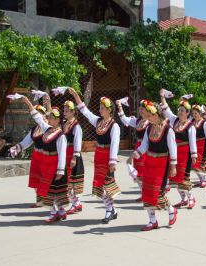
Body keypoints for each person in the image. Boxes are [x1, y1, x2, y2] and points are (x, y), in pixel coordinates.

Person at [69, 88, 121, 224]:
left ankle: (109, 210)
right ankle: (112, 209)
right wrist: (75, 95)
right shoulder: (98, 121)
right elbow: (85, 111)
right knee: (98, 185)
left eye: (103, 108)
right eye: (100, 107)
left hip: (108, 157)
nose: (100, 110)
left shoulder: (114, 126)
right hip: (99, 155)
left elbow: (115, 143)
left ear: (109, 110)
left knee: (107, 185)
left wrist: (113, 161)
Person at [132, 101, 178, 231]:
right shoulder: (149, 128)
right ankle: (152, 220)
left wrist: (173, 166)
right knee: (146, 191)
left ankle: (171, 209)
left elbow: (173, 148)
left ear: (156, 114)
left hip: (162, 164)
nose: (147, 118)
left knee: (158, 193)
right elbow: (144, 145)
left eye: (149, 116)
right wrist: (135, 154)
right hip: (149, 163)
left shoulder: (168, 130)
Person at [21, 97, 68, 223]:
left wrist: (60, 170)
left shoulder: (60, 136)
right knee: (51, 189)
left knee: (49, 190)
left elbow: (62, 154)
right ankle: (61, 212)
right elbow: (37, 117)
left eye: (52, 118)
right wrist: (27, 102)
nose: (49, 119)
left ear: (58, 120)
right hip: (45, 163)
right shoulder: (47, 129)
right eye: (50, 117)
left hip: (53, 164)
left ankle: (54, 213)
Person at [160, 92, 198, 209]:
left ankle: (191, 198)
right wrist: (162, 97)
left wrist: (194, 155)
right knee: (175, 178)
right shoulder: (174, 120)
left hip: (185, 155)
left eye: (183, 110)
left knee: (184, 178)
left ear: (187, 113)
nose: (180, 112)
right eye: (179, 110)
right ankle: (183, 199)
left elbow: (192, 141)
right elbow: (167, 110)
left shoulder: (190, 126)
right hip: (175, 154)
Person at [11, 105, 48, 208]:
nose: (38, 115)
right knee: (36, 178)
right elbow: (26, 142)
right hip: (36, 156)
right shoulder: (34, 129)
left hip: (46, 156)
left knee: (46, 178)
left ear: (44, 115)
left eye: (40, 113)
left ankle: (48, 198)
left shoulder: (48, 127)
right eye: (36, 113)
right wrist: (16, 147)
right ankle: (40, 200)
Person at [117, 99, 150, 201]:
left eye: (143, 108)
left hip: (146, 149)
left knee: (146, 173)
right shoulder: (137, 121)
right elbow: (124, 119)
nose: (140, 110)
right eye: (139, 108)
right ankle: (143, 194)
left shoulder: (151, 122)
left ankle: (150, 194)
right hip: (138, 147)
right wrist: (120, 106)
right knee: (138, 173)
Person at [62, 100, 85, 215]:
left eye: (67, 111)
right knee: (67, 181)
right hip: (65, 154)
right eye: (64, 110)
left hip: (72, 155)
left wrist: (74, 157)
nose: (64, 112)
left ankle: (76, 203)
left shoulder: (76, 126)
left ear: (72, 112)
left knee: (71, 181)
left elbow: (77, 142)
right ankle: (76, 203)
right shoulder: (64, 124)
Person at [191, 104, 206, 188]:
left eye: (196, 113)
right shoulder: (192, 122)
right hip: (194, 145)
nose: (194, 115)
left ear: (200, 113)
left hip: (202, 146)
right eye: (193, 113)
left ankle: (204, 180)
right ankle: (201, 179)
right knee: (194, 164)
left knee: (201, 164)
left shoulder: (204, 123)